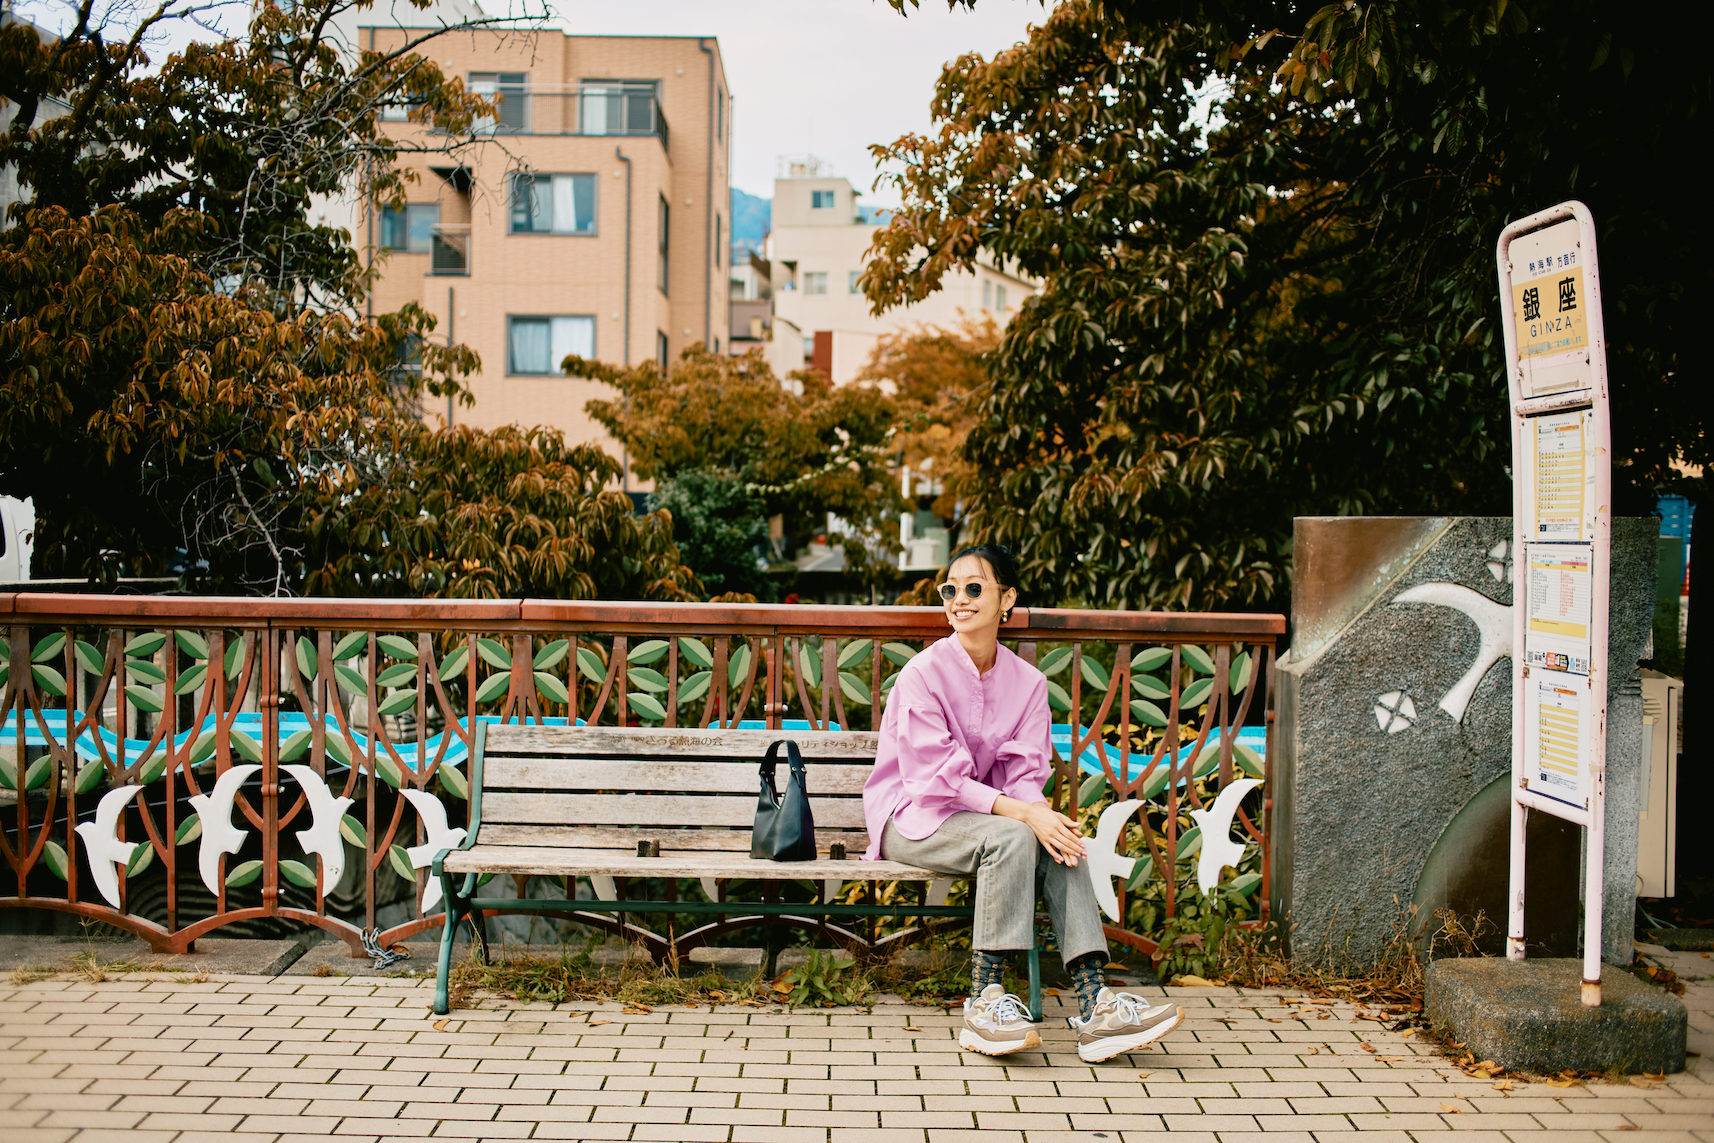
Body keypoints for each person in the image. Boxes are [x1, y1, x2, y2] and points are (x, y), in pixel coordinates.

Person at [861, 543, 1184, 1062]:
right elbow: (931, 781)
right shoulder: (923, 673)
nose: (959, 600)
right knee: (1016, 832)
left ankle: (1097, 1005)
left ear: (1006, 599)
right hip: (912, 816)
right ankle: (985, 1001)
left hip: (986, 820)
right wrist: (1024, 815)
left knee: (1059, 840)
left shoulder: (1028, 683)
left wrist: (1042, 818)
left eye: (974, 588)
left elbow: (1025, 776)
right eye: (950, 589)